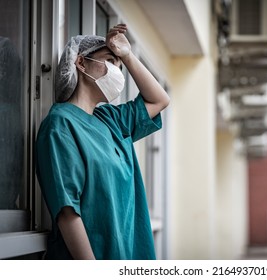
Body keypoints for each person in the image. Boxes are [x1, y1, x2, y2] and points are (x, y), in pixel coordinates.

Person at [36, 24, 170, 260]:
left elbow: (159, 99)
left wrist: (126, 55)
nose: (116, 70)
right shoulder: (60, 125)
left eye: (119, 66)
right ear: (80, 62)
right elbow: (68, 212)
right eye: (109, 60)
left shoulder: (111, 120)